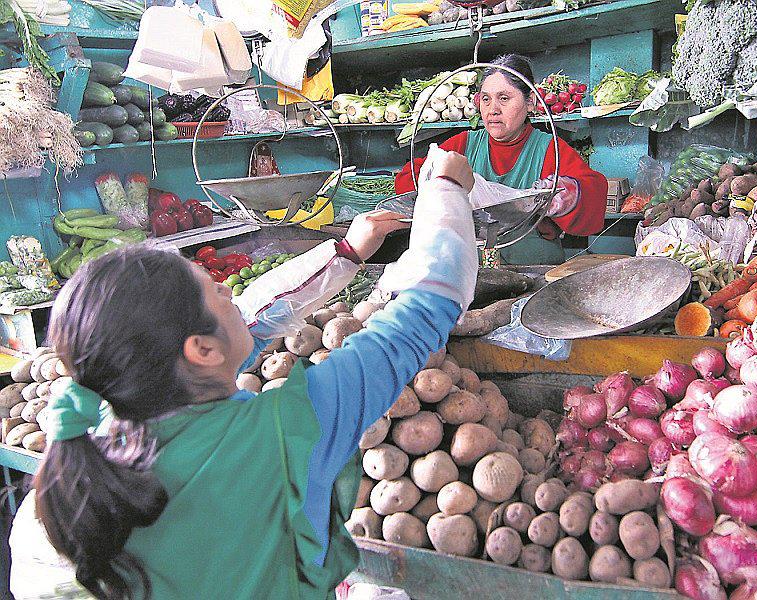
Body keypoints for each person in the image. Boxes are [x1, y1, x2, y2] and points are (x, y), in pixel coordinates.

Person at [10, 151, 479, 600]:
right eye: (217, 293)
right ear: (202, 350)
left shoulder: (94, 432)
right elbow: (430, 303)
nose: (229, 293)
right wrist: (445, 188)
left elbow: (250, 322)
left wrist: (345, 253)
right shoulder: (284, 433)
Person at [395, 53, 608, 265]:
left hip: (533, 268)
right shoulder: (464, 144)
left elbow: (592, 193)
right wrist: (441, 183)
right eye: (486, 99)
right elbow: (409, 178)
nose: (493, 110)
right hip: (469, 271)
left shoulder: (548, 149)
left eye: (504, 98)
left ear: (530, 102)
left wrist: (559, 200)